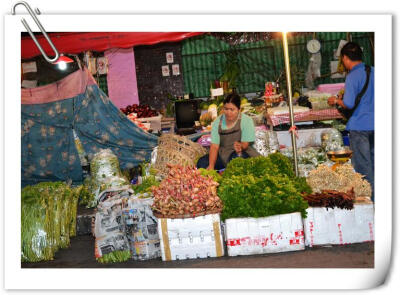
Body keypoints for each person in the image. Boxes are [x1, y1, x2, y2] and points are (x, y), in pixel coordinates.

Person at [328, 42, 374, 201]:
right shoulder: (373, 71)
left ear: (346, 58)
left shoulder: (352, 76)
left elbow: (348, 103)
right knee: (376, 164)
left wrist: (335, 100)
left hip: (360, 126)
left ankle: (369, 202)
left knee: (363, 167)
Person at [196, 93, 260, 170]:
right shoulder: (217, 122)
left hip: (242, 152)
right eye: (226, 109)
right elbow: (214, 146)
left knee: (237, 159)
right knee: (202, 163)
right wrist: (211, 165)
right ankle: (224, 167)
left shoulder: (246, 120)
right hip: (223, 153)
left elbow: (245, 144)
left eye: (232, 109)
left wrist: (241, 146)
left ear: (239, 110)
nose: (228, 113)